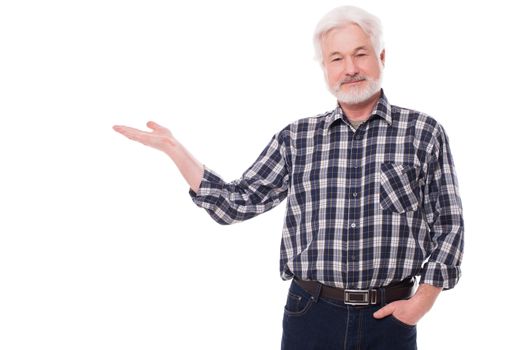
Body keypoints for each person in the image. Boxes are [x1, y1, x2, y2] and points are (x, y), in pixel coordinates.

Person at [113, 5, 464, 350]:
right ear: (325, 68)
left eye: (361, 54)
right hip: (311, 315)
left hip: (389, 317)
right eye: (337, 58)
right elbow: (237, 203)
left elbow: (448, 224)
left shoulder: (423, 132)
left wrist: (422, 301)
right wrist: (176, 150)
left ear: (381, 57)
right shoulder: (297, 138)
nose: (351, 68)